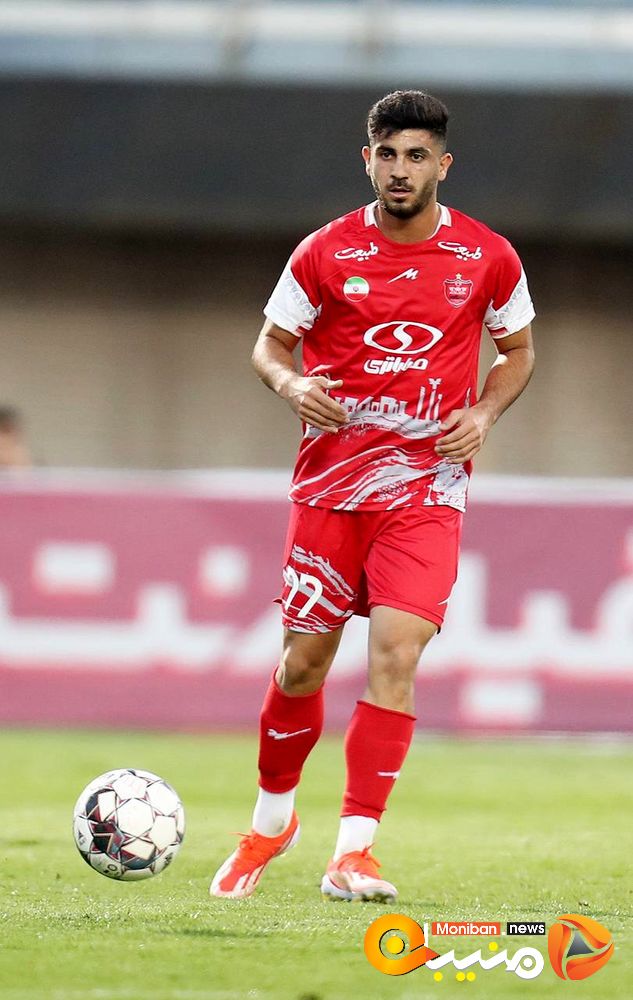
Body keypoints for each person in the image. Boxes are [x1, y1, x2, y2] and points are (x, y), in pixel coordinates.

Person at [210, 90, 535, 902]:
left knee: (395, 654)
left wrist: (483, 413)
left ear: (441, 165)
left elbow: (518, 351)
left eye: (415, 156)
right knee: (301, 666)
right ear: (367, 160)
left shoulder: (487, 256)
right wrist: (292, 385)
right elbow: (269, 345)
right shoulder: (323, 252)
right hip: (330, 488)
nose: (400, 169)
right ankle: (270, 823)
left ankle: (353, 852)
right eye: (387, 154)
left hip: (425, 490)